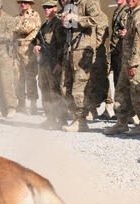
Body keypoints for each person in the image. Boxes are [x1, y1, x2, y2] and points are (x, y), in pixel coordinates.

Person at [59, 0, 105, 132]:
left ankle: (81, 121)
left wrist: (76, 18)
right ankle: (75, 116)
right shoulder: (70, 4)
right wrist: (65, 21)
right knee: (64, 85)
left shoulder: (87, 2)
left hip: (82, 50)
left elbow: (99, 18)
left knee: (80, 86)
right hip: (70, 49)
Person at [104, 0, 140, 136]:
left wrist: (133, 64)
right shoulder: (131, 13)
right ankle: (121, 122)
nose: (129, 0)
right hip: (127, 62)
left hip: (137, 63)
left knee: (138, 93)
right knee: (121, 92)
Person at [33, 0, 67, 129]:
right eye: (45, 8)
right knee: (45, 90)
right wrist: (37, 46)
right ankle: (50, 118)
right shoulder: (45, 25)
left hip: (53, 63)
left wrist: (59, 63)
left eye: (49, 7)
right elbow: (39, 40)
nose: (47, 10)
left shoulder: (58, 24)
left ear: (55, 8)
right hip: (44, 63)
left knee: (56, 91)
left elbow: (61, 45)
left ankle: (62, 119)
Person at [13, 0, 41, 115]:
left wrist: (14, 28)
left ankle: (33, 104)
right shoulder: (17, 16)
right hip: (16, 49)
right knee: (17, 77)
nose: (22, 4)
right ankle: (21, 103)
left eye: (25, 2)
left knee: (30, 77)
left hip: (28, 49)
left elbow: (26, 29)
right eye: (21, 2)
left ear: (29, 3)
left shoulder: (34, 15)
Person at [110, 0, 130, 87]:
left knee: (122, 80)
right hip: (115, 49)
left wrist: (127, 31)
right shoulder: (118, 10)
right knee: (117, 77)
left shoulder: (128, 10)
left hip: (122, 49)